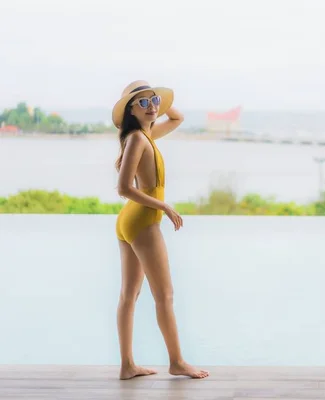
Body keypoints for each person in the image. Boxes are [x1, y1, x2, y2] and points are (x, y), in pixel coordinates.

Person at [112, 80, 209, 380]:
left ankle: (128, 366)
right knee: (164, 295)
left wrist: (156, 99)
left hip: (129, 221)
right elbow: (124, 188)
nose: (152, 106)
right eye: (142, 103)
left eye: (154, 100)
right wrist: (164, 206)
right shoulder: (138, 140)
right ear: (130, 109)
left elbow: (177, 118)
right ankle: (177, 361)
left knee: (129, 294)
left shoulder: (145, 134)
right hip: (142, 221)